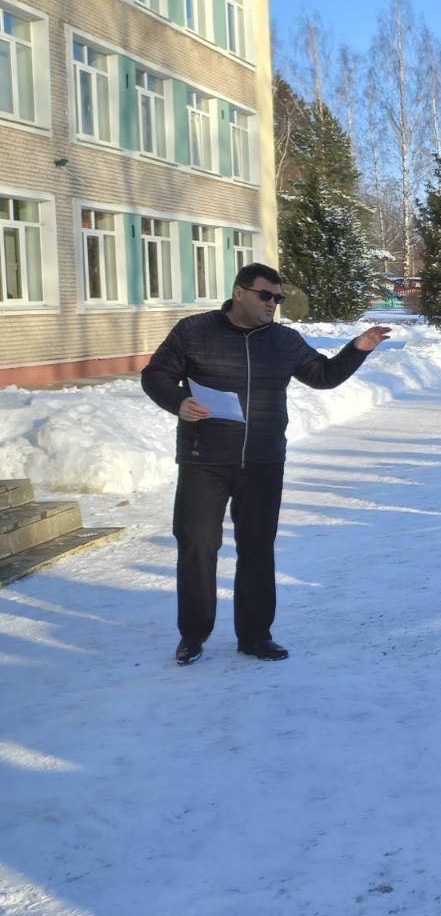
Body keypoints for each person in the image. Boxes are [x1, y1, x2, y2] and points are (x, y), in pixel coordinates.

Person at [140, 263, 392, 665]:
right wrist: (179, 402)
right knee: (197, 547)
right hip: (204, 459)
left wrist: (357, 349)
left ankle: (256, 636)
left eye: (278, 298)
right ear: (239, 293)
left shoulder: (284, 341)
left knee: (258, 548)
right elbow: (155, 375)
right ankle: (193, 634)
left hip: (263, 461)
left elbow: (323, 376)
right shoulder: (194, 331)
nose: (273, 304)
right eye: (265, 296)